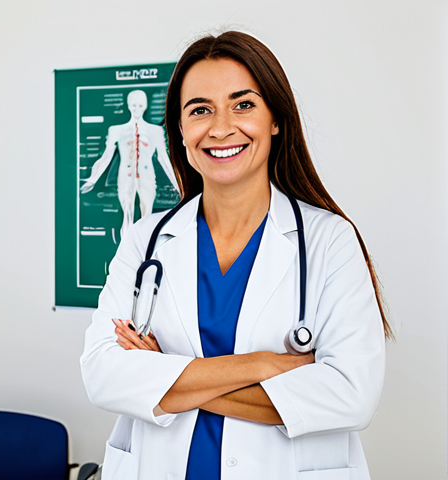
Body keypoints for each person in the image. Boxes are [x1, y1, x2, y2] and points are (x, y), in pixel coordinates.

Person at [80, 31, 390, 480]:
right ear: (181, 130)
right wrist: (262, 366)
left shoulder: (330, 242)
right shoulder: (144, 240)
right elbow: (104, 376)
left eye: (243, 104)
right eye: (200, 110)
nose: (221, 127)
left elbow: (350, 396)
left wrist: (163, 374)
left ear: (275, 119)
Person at [81, 90, 178, 236]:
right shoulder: (117, 130)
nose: (137, 109)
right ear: (128, 106)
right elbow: (106, 156)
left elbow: (163, 159)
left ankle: (145, 254)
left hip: (147, 175)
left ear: (144, 106)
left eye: (140, 105)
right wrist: (92, 179)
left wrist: (177, 184)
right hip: (125, 175)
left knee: (147, 217)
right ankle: (126, 255)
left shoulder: (155, 131)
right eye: (134, 105)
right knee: (126, 216)